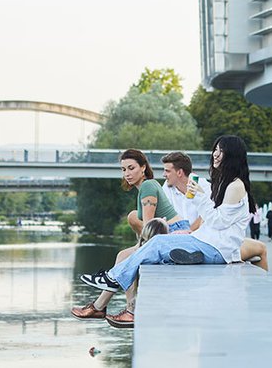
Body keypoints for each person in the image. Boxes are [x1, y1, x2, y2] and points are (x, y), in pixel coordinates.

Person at [79, 135, 257, 317]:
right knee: (161, 245)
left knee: (157, 244)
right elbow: (227, 225)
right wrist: (232, 255)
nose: (215, 155)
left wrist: (198, 197)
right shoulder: (226, 184)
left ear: (232, 155)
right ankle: (117, 283)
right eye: (215, 150)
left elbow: (219, 222)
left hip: (214, 248)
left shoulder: (235, 186)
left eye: (221, 151)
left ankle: (112, 279)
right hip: (210, 243)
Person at [162, 149, 268, 271]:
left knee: (257, 249)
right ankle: (261, 286)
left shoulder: (204, 185)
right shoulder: (167, 188)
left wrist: (190, 231)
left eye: (167, 171)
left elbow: (207, 215)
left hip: (201, 234)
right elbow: (166, 214)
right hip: (200, 238)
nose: (164, 175)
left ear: (179, 172)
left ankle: (198, 254)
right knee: (259, 249)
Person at [71, 217, 168, 327]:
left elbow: (149, 223)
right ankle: (116, 306)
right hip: (157, 235)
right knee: (126, 255)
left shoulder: (149, 199)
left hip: (162, 234)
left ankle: (107, 302)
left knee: (128, 256)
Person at [117, 148, 189, 236]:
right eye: (124, 170)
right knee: (133, 216)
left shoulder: (148, 186)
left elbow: (149, 227)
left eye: (131, 168)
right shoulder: (146, 186)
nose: (127, 174)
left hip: (175, 230)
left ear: (143, 167)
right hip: (169, 229)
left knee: (127, 250)